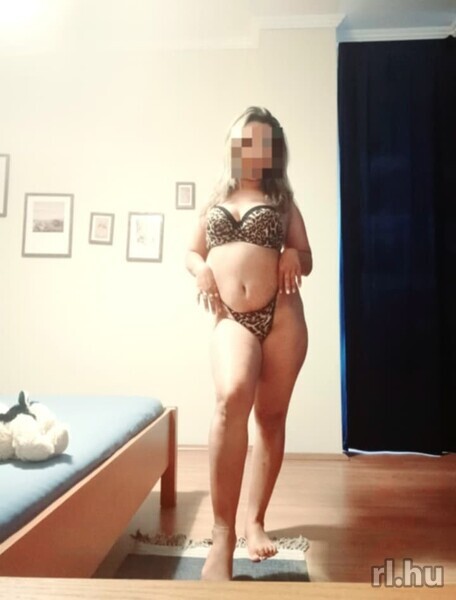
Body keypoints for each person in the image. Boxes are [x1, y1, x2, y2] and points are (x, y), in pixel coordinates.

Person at [185, 106, 312, 581]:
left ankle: (254, 521)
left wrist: (294, 254)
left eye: (263, 143)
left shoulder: (282, 200)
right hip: (231, 317)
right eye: (245, 141)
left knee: (271, 417)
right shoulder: (214, 199)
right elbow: (191, 251)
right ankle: (222, 536)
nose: (253, 150)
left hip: (282, 316)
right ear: (233, 145)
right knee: (232, 397)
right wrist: (201, 270)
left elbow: (307, 256)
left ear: (273, 152)